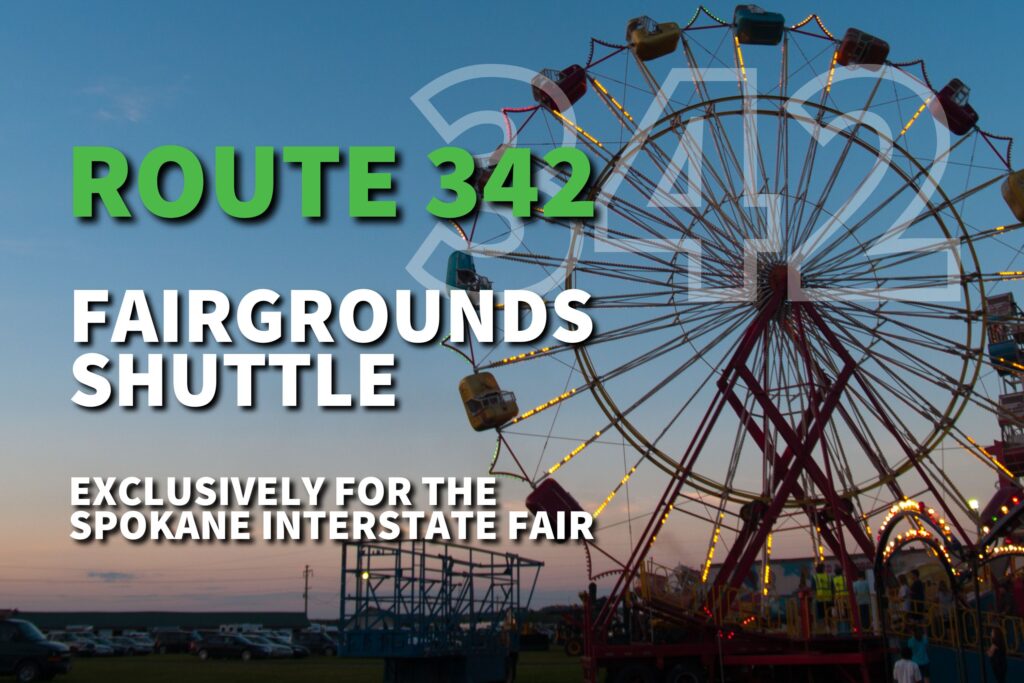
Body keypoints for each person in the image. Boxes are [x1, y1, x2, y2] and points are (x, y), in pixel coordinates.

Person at [814, 563, 833, 629]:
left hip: (820, 599)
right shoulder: (828, 577)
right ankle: (830, 628)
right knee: (829, 615)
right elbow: (832, 588)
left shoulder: (815, 577)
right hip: (828, 599)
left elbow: (813, 589)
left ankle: (823, 629)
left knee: (821, 616)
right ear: (823, 569)